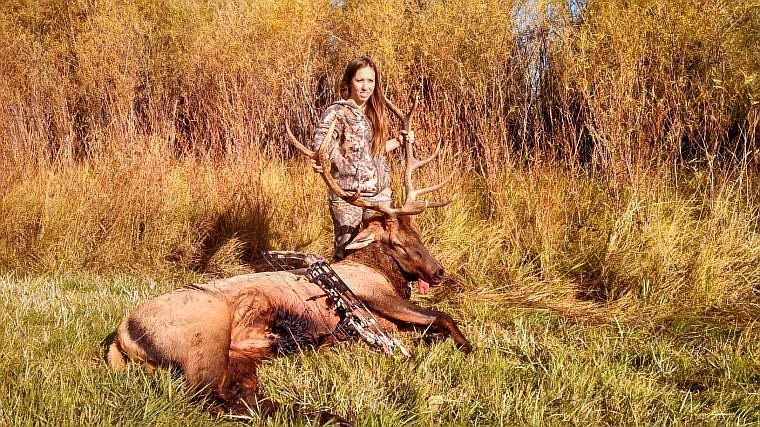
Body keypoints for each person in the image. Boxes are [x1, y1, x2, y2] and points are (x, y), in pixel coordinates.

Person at [311, 56, 413, 260]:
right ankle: (341, 293)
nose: (366, 87)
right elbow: (321, 144)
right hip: (350, 197)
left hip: (380, 196)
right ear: (349, 81)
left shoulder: (376, 113)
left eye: (370, 81)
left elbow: (373, 152)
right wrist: (321, 161)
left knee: (386, 252)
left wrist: (399, 141)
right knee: (348, 252)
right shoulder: (337, 112)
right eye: (360, 80)